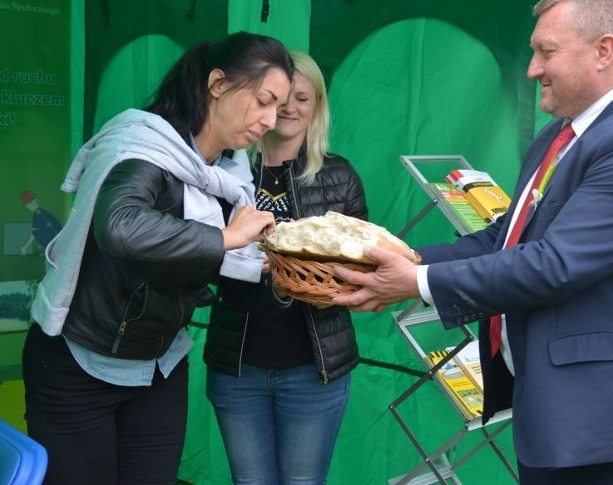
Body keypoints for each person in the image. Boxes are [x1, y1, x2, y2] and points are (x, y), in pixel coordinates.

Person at [332, 0, 613, 484]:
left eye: (545, 52)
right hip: (561, 419)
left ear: (604, 51)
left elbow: (556, 264)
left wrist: (416, 285)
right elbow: (505, 239)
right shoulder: (560, 134)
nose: (532, 70)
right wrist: (403, 258)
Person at [22, 32, 294, 485]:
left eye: (278, 109)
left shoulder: (228, 173)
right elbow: (122, 227)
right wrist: (226, 238)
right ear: (218, 84)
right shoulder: (143, 145)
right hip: (78, 363)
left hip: (158, 364)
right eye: (264, 101)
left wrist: (271, 266)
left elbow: (200, 266)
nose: (269, 121)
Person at [204, 49, 367, 485]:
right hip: (238, 367)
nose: (289, 109)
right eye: (277, 99)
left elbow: (361, 263)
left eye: (303, 98)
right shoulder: (225, 173)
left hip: (314, 372)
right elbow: (197, 255)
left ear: (318, 109)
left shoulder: (340, 176)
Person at [18, 189, 63, 255]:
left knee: (36, 233)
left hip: (58, 240)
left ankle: (49, 249)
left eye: (31, 202)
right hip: (58, 238)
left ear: (35, 200)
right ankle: (48, 246)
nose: (29, 206)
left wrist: (25, 247)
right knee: (37, 231)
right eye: (27, 205)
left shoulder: (38, 214)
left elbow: (34, 234)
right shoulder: (40, 211)